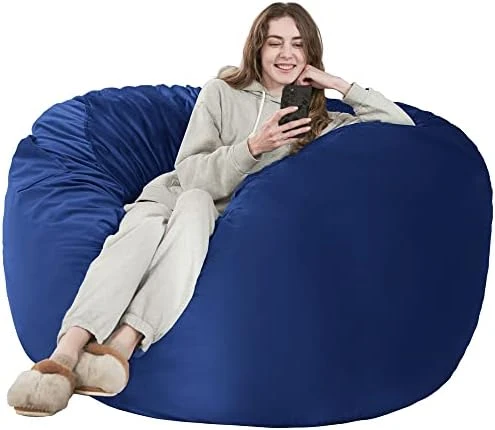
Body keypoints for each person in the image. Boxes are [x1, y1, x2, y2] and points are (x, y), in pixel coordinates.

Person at [7, 1, 415, 417]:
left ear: (311, 52)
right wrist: (252, 147)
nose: (286, 54)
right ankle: (64, 354)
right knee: (138, 233)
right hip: (169, 196)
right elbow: (189, 172)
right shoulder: (221, 92)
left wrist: (338, 84)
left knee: (197, 208)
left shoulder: (317, 121)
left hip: (212, 217)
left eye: (298, 44)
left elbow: (403, 129)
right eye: (275, 43)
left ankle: (122, 344)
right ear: (257, 48)